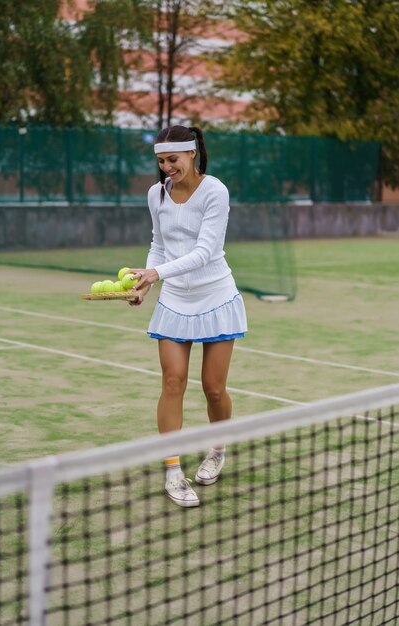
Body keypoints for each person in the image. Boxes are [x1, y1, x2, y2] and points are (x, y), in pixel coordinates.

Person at [129, 125, 247, 507]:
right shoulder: (156, 194)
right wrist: (146, 283)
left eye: (173, 160)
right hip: (175, 301)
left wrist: (155, 274)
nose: (167, 168)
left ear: (192, 154)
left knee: (213, 388)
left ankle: (217, 449)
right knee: (172, 381)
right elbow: (158, 243)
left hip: (216, 296)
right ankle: (173, 471)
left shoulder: (215, 191)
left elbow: (205, 252)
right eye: (161, 161)